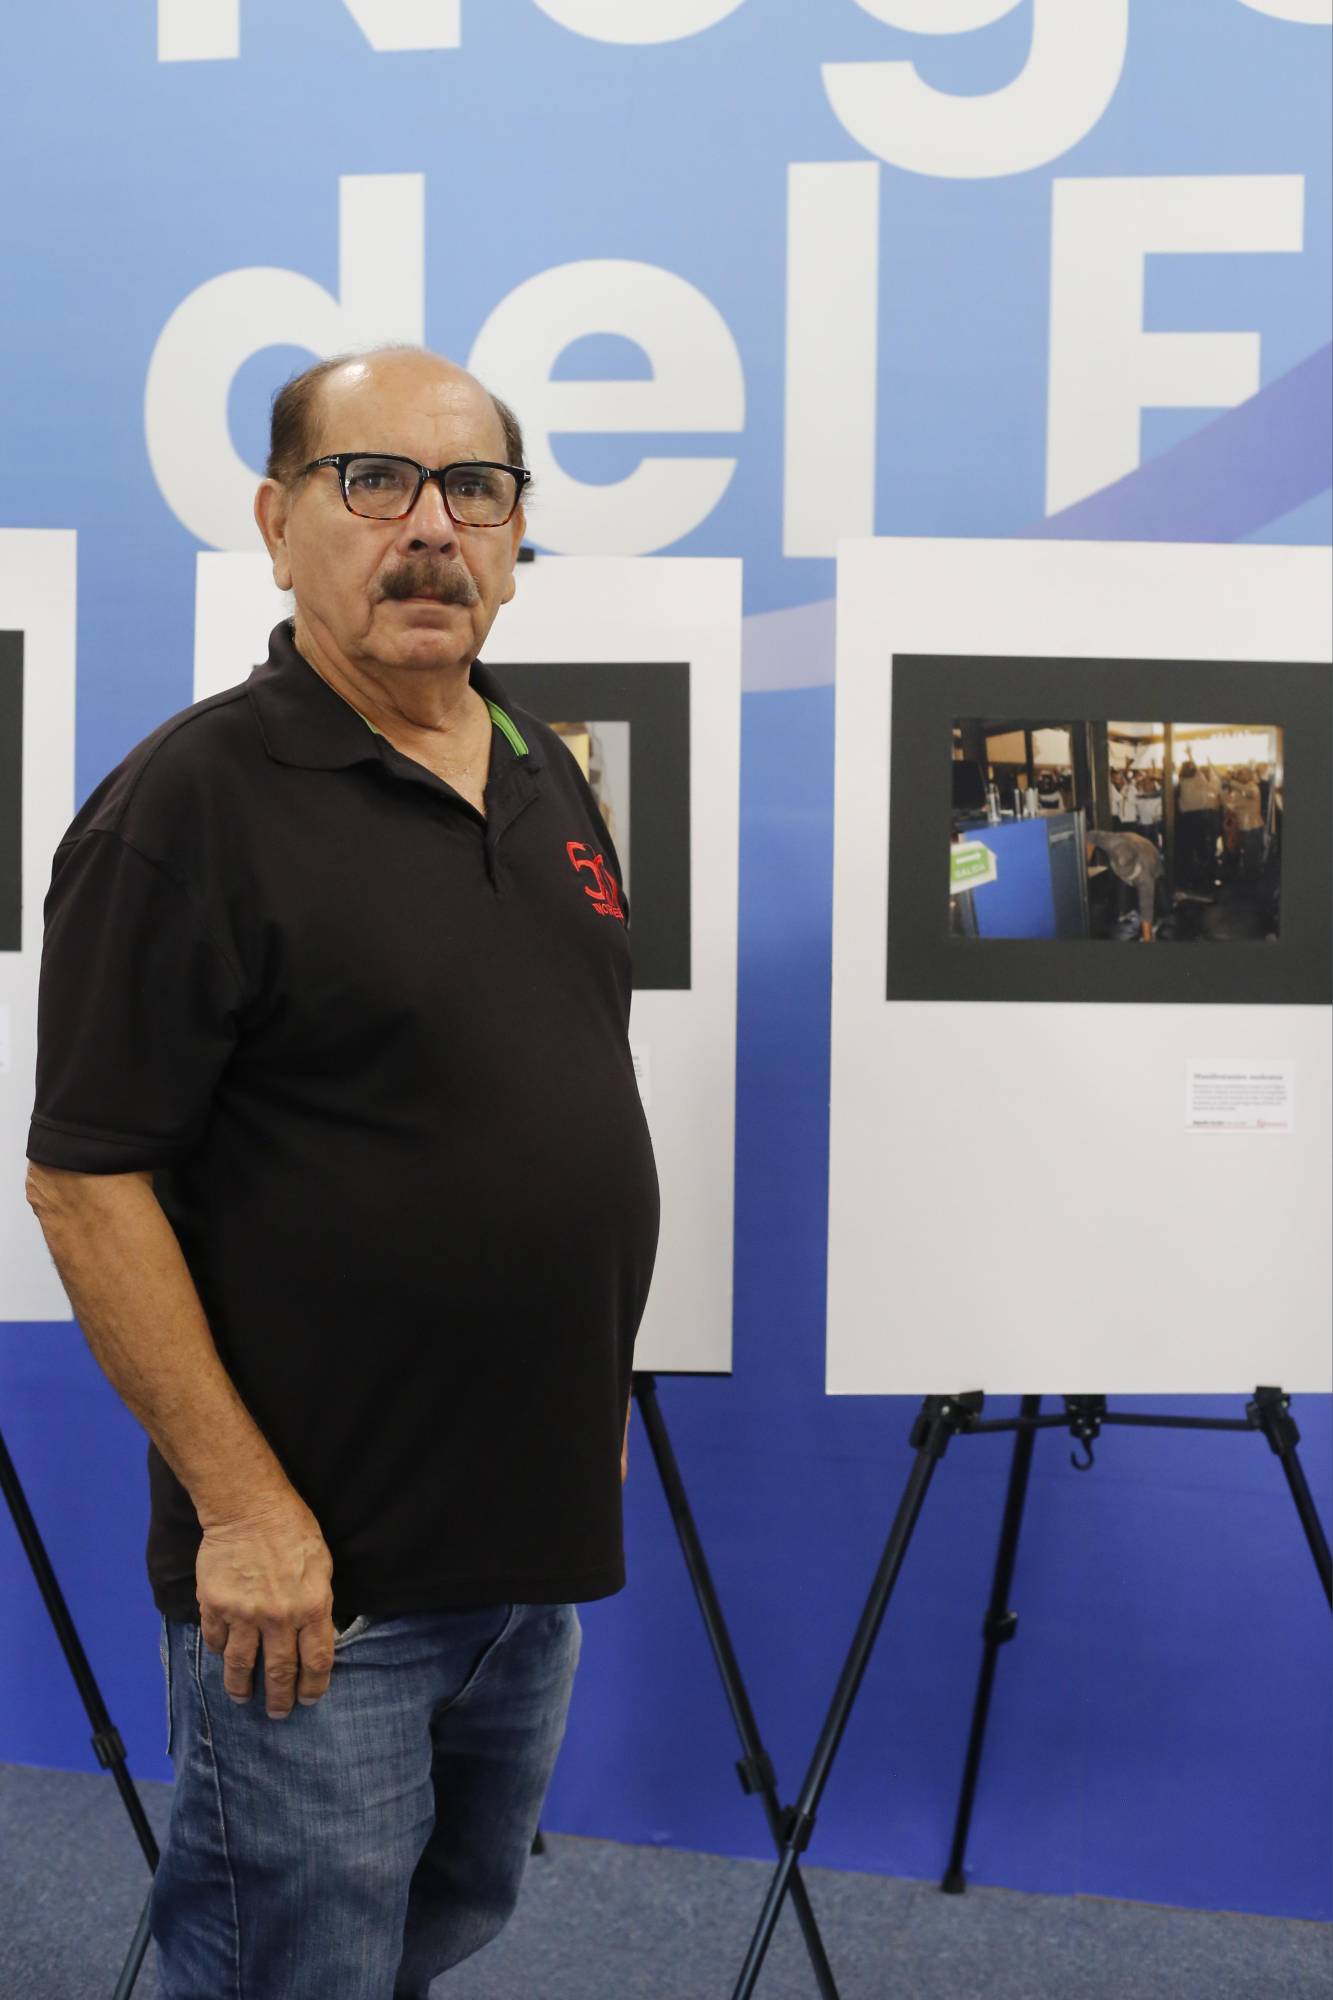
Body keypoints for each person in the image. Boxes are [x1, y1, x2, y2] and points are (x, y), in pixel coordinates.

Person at [24, 346, 660, 2000]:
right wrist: (241, 1510)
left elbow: (559, 1105)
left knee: (439, 1925)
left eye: (475, 490)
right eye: (373, 482)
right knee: (278, 1965)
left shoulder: (540, 775)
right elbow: (86, 1186)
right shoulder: (191, 806)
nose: (430, 529)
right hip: (314, 1584)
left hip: (520, 1553)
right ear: (276, 521)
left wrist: (583, 1386)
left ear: (517, 535)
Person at [1085, 826, 1165, 941]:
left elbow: (1146, 913)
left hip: (1150, 854)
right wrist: (1085, 866)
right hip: (1129, 840)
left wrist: (1148, 939)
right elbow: (1090, 835)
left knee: (1161, 905)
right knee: (1123, 905)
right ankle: (1124, 911)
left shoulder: (1145, 877)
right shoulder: (1111, 842)